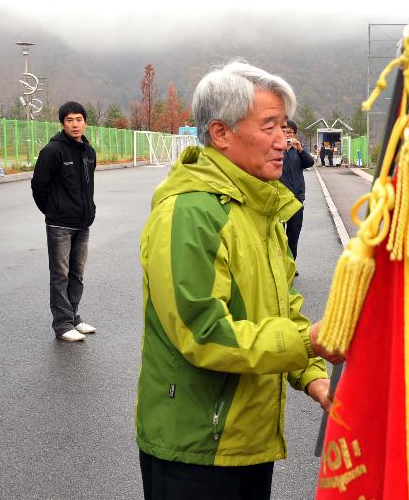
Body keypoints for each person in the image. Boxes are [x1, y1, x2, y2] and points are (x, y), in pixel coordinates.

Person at [136, 61, 339, 500]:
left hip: (247, 441)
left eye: (285, 127)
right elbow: (204, 333)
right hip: (196, 447)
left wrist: (314, 376)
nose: (284, 141)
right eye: (269, 126)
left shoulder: (259, 207)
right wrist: (309, 342)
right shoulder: (190, 212)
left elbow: (285, 310)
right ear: (221, 133)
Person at [30, 101, 98, 342]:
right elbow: (38, 186)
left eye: (79, 119)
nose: (75, 124)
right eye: (69, 120)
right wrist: (53, 211)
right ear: (62, 124)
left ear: (85, 122)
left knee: (77, 274)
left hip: (83, 223)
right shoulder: (53, 151)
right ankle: (62, 324)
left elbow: (88, 187)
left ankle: (73, 317)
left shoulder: (89, 152)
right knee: (60, 274)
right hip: (60, 224)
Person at [279, 120, 315, 267]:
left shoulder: (297, 151)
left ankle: (291, 264)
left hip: (296, 200)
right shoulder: (274, 149)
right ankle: (279, 265)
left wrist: (300, 149)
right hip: (279, 200)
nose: (288, 135)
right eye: (285, 132)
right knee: (279, 236)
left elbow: (309, 163)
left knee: (293, 235)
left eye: (291, 133)